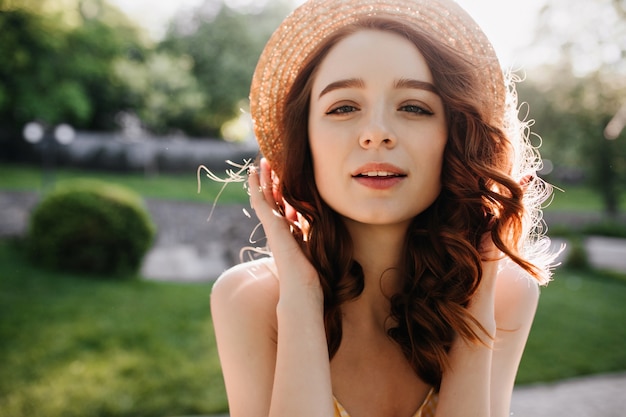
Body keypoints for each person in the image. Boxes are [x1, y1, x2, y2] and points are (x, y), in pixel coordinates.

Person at [210, 0, 557, 416]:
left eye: (414, 107)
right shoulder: (250, 300)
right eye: (343, 107)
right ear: (307, 141)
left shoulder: (505, 295)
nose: (376, 134)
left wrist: (477, 301)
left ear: (455, 137)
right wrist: (300, 299)